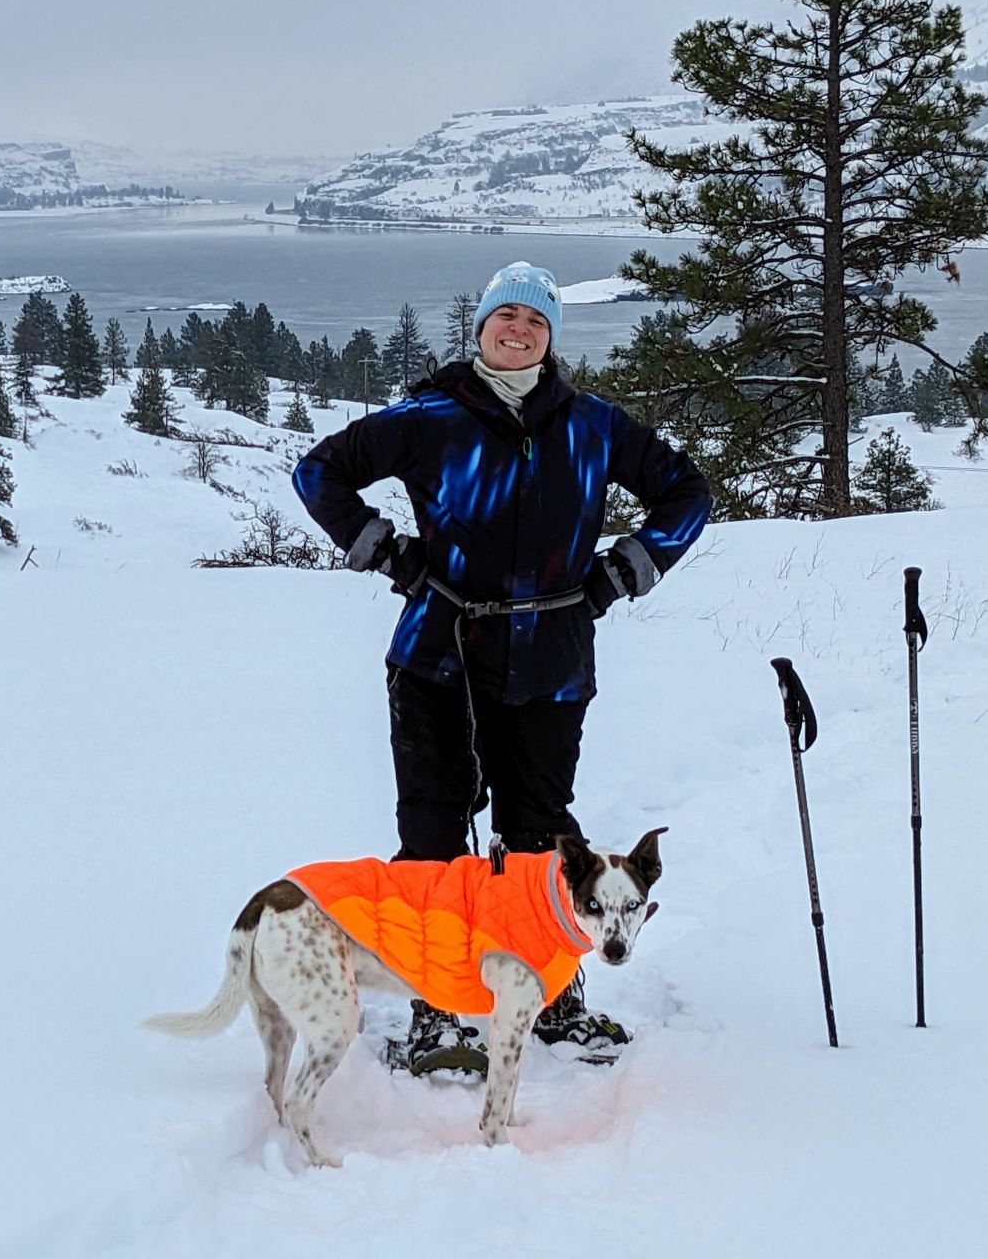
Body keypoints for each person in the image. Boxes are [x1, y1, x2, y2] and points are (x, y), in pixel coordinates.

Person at [292, 261, 712, 1072]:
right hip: (436, 658)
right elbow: (321, 472)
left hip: (551, 663)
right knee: (433, 842)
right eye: (503, 316)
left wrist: (619, 572)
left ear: (550, 338)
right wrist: (390, 554)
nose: (516, 329)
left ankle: (551, 997)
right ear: (480, 328)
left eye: (535, 320)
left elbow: (686, 493)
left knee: (541, 838)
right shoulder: (430, 416)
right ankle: (437, 1010)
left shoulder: (592, 425)